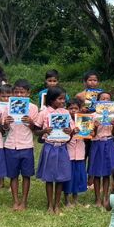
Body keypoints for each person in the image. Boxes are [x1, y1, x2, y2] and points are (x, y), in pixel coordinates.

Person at [35, 86, 74, 214]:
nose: (63, 101)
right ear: (51, 100)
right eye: (60, 99)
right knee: (49, 177)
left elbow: (71, 131)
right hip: (49, 147)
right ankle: (50, 205)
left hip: (62, 147)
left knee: (60, 177)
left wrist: (70, 131)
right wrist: (44, 131)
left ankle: (57, 205)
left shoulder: (66, 113)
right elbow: (36, 130)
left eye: (64, 99)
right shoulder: (44, 113)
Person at [2, 79, 39, 211]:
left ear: (28, 93)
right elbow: (5, 129)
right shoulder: (7, 107)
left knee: (26, 175)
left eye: (22, 92)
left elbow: (35, 129)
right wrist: (6, 123)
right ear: (12, 93)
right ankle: (15, 200)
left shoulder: (33, 108)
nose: (19, 95)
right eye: (16, 92)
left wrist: (31, 122)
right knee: (13, 175)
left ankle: (24, 201)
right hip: (11, 145)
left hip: (26, 145)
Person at [89, 91, 114, 208]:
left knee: (107, 173)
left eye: (108, 99)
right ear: (98, 102)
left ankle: (106, 197)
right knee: (96, 173)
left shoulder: (113, 116)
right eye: (103, 99)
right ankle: (97, 199)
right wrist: (95, 127)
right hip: (97, 144)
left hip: (109, 142)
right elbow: (91, 134)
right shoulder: (94, 115)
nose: (105, 101)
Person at [63, 98, 88, 207]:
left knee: (78, 177)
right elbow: (64, 138)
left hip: (80, 153)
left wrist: (90, 131)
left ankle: (75, 199)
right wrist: (73, 132)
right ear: (66, 109)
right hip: (69, 153)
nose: (73, 110)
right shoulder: (65, 121)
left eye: (76, 108)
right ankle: (67, 200)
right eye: (71, 108)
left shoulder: (84, 120)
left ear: (80, 109)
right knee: (68, 177)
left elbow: (87, 137)